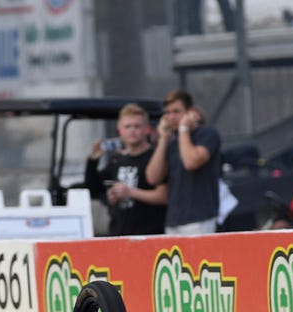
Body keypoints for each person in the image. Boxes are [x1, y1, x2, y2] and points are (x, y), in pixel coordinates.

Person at [146, 90, 222, 235]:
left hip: (199, 218)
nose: (171, 117)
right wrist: (163, 139)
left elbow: (190, 162)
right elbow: (153, 177)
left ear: (190, 112)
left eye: (176, 112)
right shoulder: (170, 140)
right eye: (167, 113)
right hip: (174, 220)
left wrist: (184, 129)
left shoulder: (207, 134)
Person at [84, 103, 167, 236]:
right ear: (120, 131)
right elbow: (93, 189)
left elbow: (164, 196)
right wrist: (92, 161)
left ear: (146, 129)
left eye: (137, 126)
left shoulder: (155, 157)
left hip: (149, 233)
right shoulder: (116, 160)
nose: (132, 131)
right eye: (127, 127)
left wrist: (130, 192)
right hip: (119, 232)